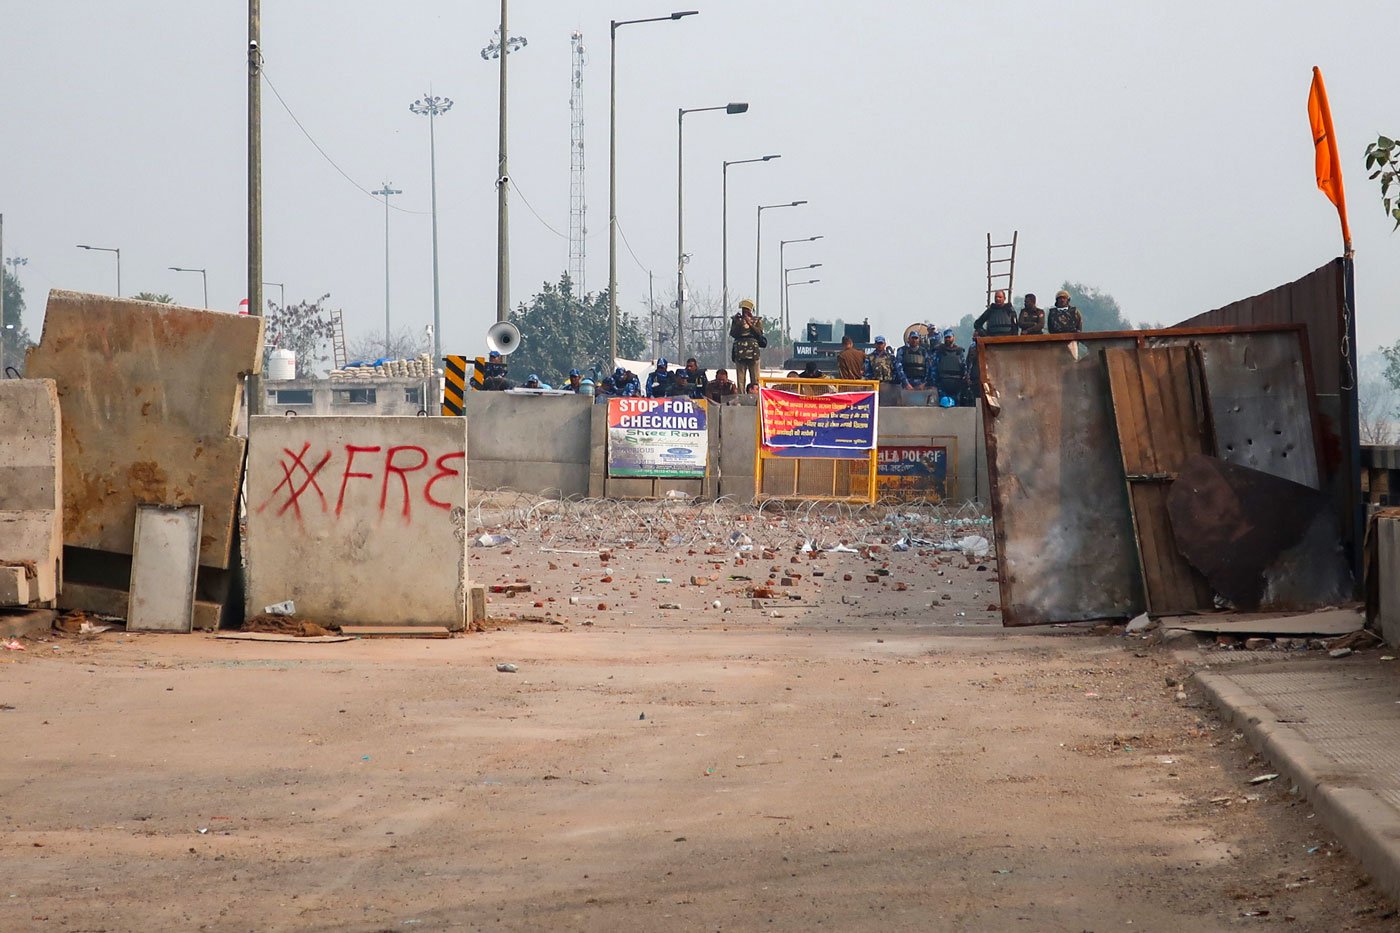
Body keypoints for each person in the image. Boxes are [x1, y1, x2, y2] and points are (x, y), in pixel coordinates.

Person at [729, 298, 766, 391]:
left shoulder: (757, 320)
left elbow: (759, 333)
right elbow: (733, 333)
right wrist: (739, 323)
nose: (745, 312)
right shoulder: (736, 320)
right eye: (743, 310)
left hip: (753, 351)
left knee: (755, 376)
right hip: (740, 351)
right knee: (740, 378)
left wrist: (750, 323)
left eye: (747, 310)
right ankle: (741, 395)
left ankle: (756, 394)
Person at [932, 329, 968, 403]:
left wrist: (965, 379)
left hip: (957, 384)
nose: (947, 339)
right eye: (946, 337)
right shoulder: (939, 351)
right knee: (943, 403)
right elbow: (934, 367)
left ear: (953, 338)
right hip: (943, 383)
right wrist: (935, 383)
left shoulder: (959, 351)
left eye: (949, 337)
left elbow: (964, 367)